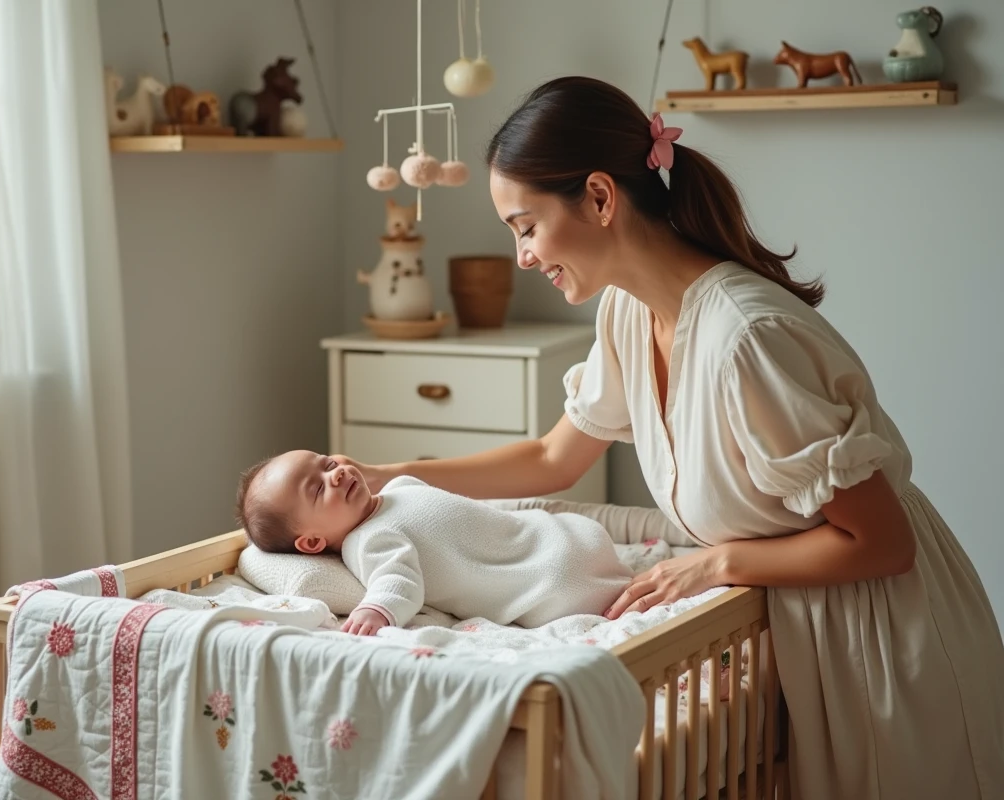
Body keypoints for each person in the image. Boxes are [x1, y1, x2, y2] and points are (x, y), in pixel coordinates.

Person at [331, 77, 1004, 799]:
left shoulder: (748, 340)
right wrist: (389, 473)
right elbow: (553, 458)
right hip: (803, 627)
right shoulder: (628, 313)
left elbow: (882, 542)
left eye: (526, 226)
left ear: (598, 196)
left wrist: (716, 564)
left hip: (881, 633)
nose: (523, 256)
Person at [234, 449, 634, 634]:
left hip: (548, 536)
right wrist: (376, 611)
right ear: (312, 544)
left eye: (328, 463)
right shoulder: (369, 542)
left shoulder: (398, 488)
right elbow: (399, 584)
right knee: (561, 576)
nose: (336, 474)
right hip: (553, 582)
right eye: (318, 489)